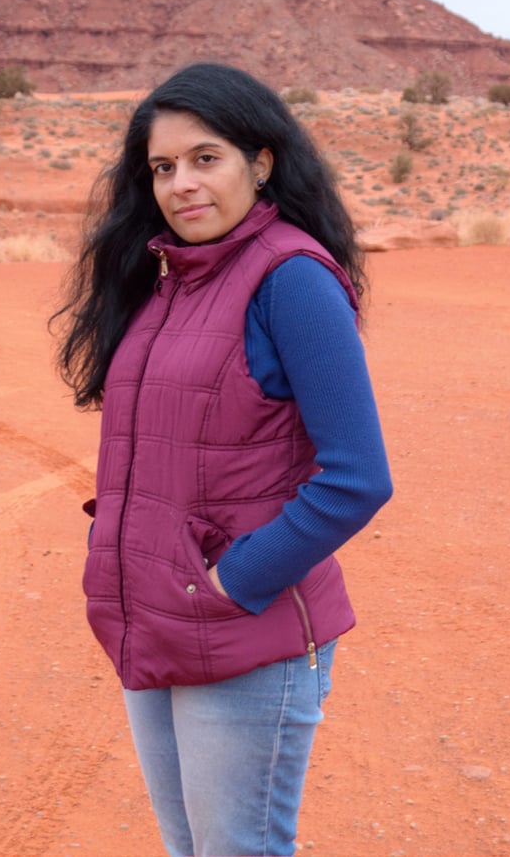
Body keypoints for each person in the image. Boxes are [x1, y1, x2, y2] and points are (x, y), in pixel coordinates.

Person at [55, 62, 394, 857]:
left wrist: (231, 582)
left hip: (244, 628)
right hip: (156, 611)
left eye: (205, 158)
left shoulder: (292, 279)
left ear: (261, 161)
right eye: (163, 167)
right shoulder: (168, 278)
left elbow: (357, 477)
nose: (181, 184)